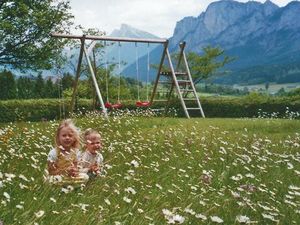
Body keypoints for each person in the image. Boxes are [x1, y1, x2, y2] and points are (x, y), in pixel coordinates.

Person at [46, 119, 88, 184]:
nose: (67, 138)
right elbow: (50, 172)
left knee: (85, 177)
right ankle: (67, 185)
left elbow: (76, 168)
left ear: (74, 138)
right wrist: (64, 171)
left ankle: (70, 185)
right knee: (50, 179)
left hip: (69, 177)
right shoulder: (54, 153)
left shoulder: (76, 152)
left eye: (70, 135)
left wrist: (74, 171)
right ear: (58, 137)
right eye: (64, 135)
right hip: (58, 176)